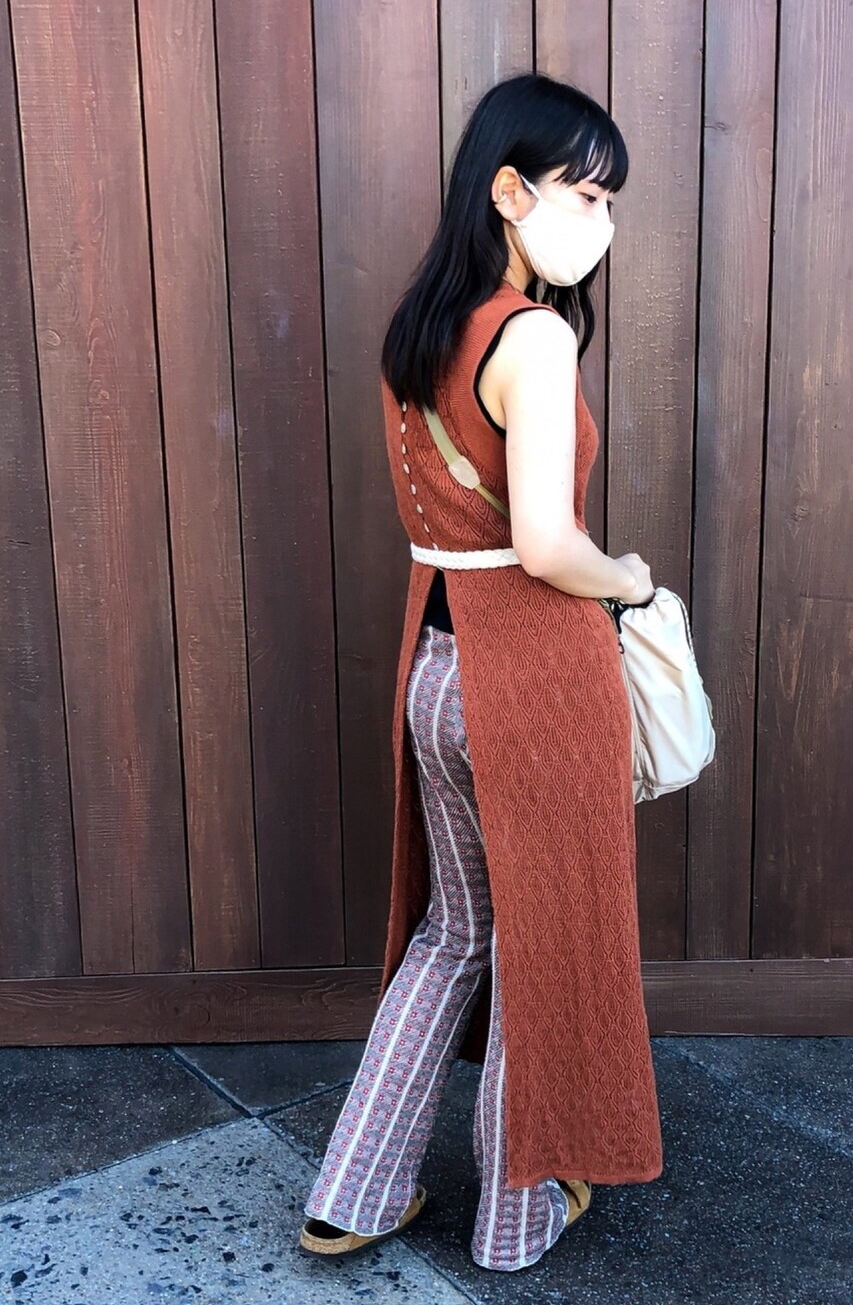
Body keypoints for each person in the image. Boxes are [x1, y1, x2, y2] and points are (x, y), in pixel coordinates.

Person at [299, 71, 662, 1273]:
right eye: (585, 194)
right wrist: (629, 577)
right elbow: (548, 545)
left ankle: (353, 1189)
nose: (602, 221)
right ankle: (515, 1217)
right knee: (540, 939)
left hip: (440, 671)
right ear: (509, 190)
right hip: (536, 684)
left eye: (610, 201)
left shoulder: (420, 325)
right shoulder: (533, 336)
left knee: (456, 930)